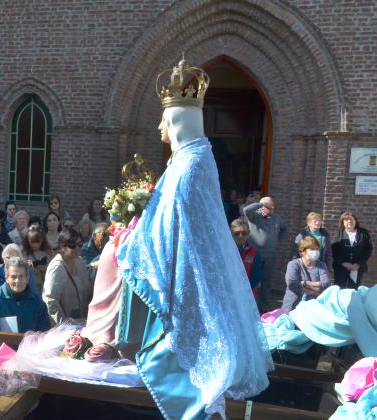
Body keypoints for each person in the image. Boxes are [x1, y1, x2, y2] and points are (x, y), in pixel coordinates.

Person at [109, 62, 271, 418]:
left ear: (178, 120)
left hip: (184, 272)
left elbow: (169, 222)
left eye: (164, 120)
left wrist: (132, 239)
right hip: (183, 262)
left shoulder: (189, 164)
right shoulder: (192, 157)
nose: (158, 128)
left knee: (191, 368)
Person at [0, 256, 50, 334]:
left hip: (30, 346)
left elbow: (44, 334)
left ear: (27, 278)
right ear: (6, 278)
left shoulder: (38, 303)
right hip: (1, 345)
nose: (17, 281)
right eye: (13, 277)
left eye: (21, 276)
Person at [242, 196, 287, 308]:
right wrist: (260, 204)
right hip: (254, 254)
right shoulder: (254, 216)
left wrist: (278, 239)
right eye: (268, 206)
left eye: (272, 206)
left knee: (266, 283)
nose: (271, 208)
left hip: (270, 255)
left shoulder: (276, 218)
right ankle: (249, 306)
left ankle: (264, 308)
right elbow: (245, 210)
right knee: (252, 280)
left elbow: (284, 228)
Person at [42, 228, 91, 324]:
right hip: (65, 326)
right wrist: (64, 325)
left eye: (80, 244)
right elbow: (50, 300)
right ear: (62, 247)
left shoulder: (79, 261)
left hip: (82, 320)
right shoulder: (56, 267)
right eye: (73, 245)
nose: (78, 248)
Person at [281, 236, 331, 311]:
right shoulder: (293, 264)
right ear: (302, 251)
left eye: (317, 249)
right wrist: (316, 293)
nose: (315, 251)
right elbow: (292, 284)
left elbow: (326, 284)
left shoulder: (322, 265)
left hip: (313, 308)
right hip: (293, 306)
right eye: (312, 249)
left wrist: (304, 283)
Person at [331, 212, 373, 289]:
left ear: (355, 221)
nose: (349, 221)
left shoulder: (363, 233)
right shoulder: (339, 233)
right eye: (346, 220)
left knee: (354, 288)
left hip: (357, 267)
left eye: (351, 219)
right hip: (341, 267)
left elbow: (368, 249)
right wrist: (343, 263)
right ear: (342, 222)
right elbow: (333, 250)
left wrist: (358, 264)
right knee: (339, 288)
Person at [231, 219, 263, 301]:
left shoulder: (254, 253)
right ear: (231, 234)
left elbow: (256, 276)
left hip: (247, 296)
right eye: (237, 233)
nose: (240, 236)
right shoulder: (225, 251)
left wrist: (243, 289)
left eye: (244, 233)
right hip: (229, 293)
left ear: (248, 234)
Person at [23, 228, 54, 292]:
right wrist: (28, 266)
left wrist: (44, 268)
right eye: (32, 242)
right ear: (28, 241)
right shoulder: (24, 252)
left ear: (42, 240)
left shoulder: (48, 251)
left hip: (47, 284)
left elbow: (54, 267)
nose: (35, 245)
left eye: (38, 242)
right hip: (32, 286)